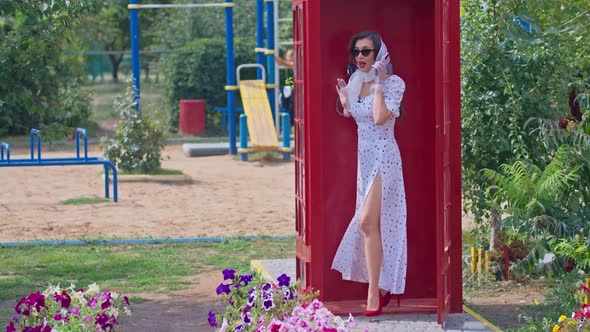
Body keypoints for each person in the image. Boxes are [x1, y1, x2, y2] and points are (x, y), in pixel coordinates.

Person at [331, 31, 407, 317]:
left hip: (384, 157)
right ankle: (381, 286)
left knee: (366, 222)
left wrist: (378, 83)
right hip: (364, 160)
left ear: (380, 55)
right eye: (356, 52)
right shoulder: (356, 82)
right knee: (371, 225)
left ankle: (374, 290)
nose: (360, 57)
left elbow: (378, 118)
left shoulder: (394, 84)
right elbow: (355, 115)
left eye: (366, 51)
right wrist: (345, 97)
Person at [275, 49, 295, 128]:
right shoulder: (295, 63)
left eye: (289, 56)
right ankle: (290, 125)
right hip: (295, 87)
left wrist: (272, 55)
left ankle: (290, 124)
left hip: (299, 88)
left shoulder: (297, 62)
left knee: (291, 106)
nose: (287, 57)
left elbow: (282, 62)